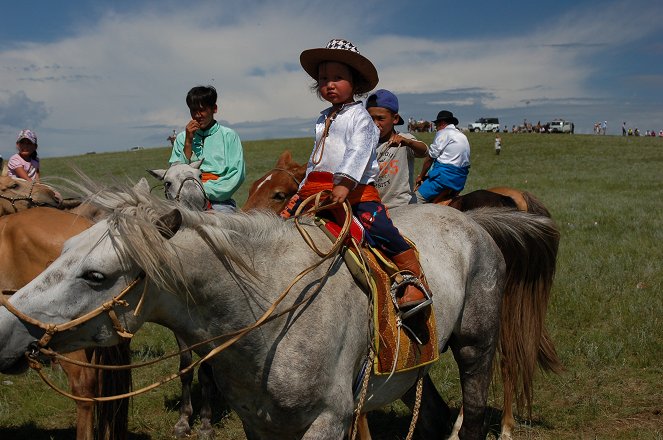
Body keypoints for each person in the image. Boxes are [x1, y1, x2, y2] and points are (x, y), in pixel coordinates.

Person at [282, 38, 431, 313]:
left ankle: (415, 279)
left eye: (338, 78)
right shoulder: (322, 118)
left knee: (381, 228)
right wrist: (299, 191)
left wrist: (345, 183)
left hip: (355, 192)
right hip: (317, 191)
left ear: (356, 83)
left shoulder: (360, 117)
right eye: (324, 78)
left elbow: (359, 151)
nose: (329, 84)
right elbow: (316, 159)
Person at [169, 85, 245, 212]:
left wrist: (200, 190)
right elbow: (175, 174)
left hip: (220, 203)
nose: (197, 115)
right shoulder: (182, 138)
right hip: (185, 202)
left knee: (221, 228)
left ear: (214, 109)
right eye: (193, 111)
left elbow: (236, 176)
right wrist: (188, 142)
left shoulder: (229, 136)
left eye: (202, 110)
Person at [365, 89, 428, 210]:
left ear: (395, 119)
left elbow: (424, 151)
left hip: (401, 206)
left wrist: (408, 143)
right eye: (370, 119)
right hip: (374, 206)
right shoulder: (365, 144)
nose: (375, 124)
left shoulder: (404, 141)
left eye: (380, 119)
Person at [415, 110, 471, 203]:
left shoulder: (443, 133)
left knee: (414, 200)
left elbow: (430, 158)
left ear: (442, 123)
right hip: (459, 182)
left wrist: (421, 176)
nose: (436, 128)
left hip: (443, 179)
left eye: (436, 125)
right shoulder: (462, 135)